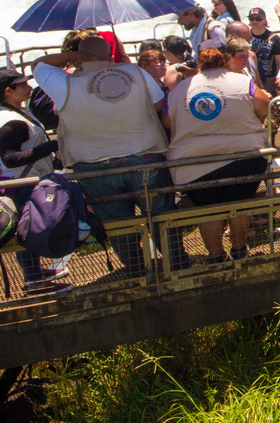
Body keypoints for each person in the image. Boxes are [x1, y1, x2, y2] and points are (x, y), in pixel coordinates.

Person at [32, 35, 188, 276]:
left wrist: (72, 58)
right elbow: (158, 104)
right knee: (160, 215)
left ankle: (137, 270)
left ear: (81, 56)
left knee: (118, 224)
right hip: (144, 156)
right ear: (109, 54)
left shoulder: (64, 84)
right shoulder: (135, 72)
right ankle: (176, 263)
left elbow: (38, 65)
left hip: (93, 165)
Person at [167, 48, 271, 263]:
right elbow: (264, 104)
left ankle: (215, 255)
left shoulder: (180, 89)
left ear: (200, 66)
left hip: (194, 162)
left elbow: (167, 121)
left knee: (208, 210)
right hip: (244, 156)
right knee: (240, 204)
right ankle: (239, 251)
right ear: (224, 62)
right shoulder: (242, 82)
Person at [0, 69, 70, 292]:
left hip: (22, 182)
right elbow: (11, 158)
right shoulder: (10, 121)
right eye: (23, 85)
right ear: (8, 91)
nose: (29, 88)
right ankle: (34, 280)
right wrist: (53, 146)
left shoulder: (10, 113)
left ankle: (35, 272)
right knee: (29, 231)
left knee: (27, 230)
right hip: (22, 184)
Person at [246, 7, 280, 95]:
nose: (255, 21)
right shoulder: (245, 36)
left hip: (268, 79)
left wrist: (278, 81)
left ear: (264, 20)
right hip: (250, 79)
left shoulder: (274, 39)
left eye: (258, 19)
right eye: (252, 18)